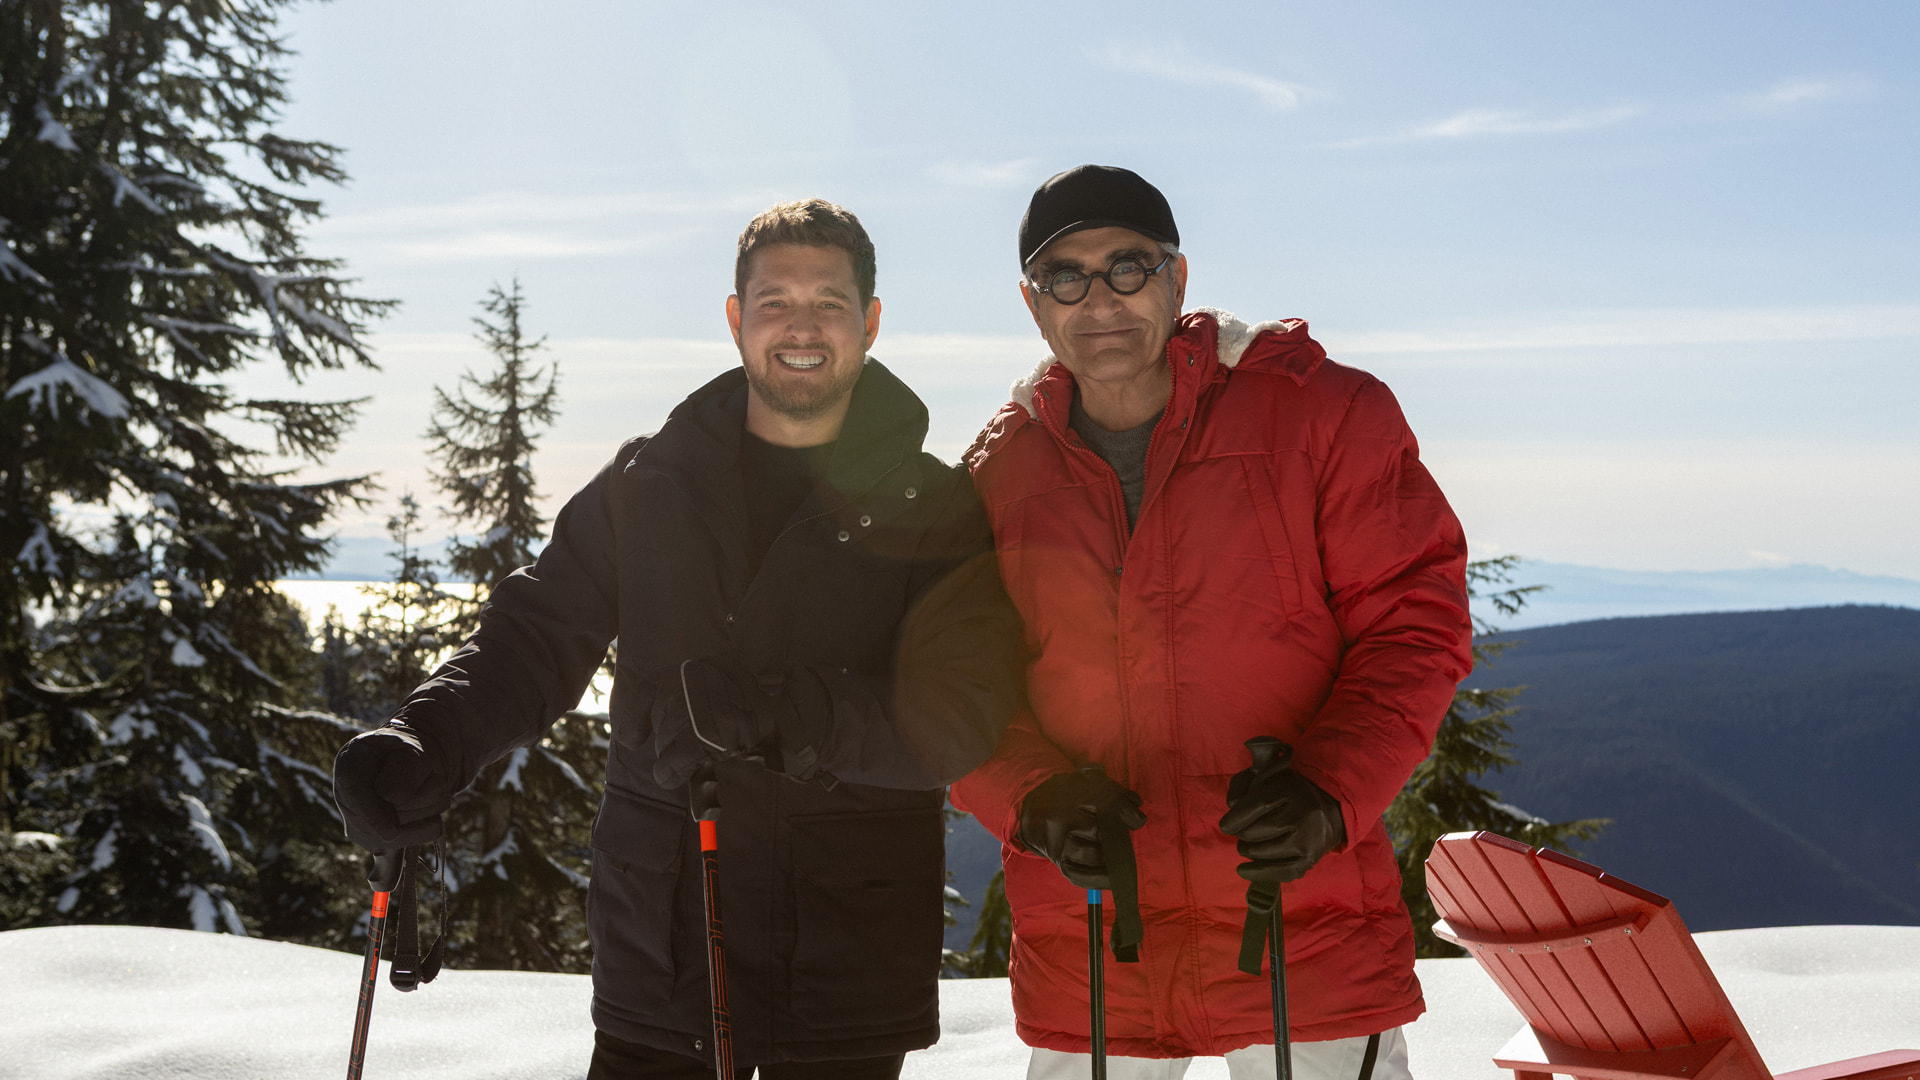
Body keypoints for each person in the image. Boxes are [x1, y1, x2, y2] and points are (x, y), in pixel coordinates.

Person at [332, 199, 1024, 1079]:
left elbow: (963, 712)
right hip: (662, 963)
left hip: (843, 978)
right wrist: (425, 740)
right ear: (736, 319)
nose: (800, 328)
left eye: (829, 303)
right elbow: (534, 637)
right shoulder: (648, 483)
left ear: (871, 322)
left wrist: (788, 720)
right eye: (775, 302)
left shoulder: (934, 505)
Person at [951, 165, 1472, 1080]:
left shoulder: (1322, 413)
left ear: (1179, 279)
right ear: (1033, 305)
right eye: (1066, 277)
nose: (1101, 299)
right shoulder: (998, 474)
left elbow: (1414, 623)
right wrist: (1032, 798)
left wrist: (1329, 789)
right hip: (1099, 933)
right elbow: (952, 689)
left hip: (1296, 921)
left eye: (1129, 266)